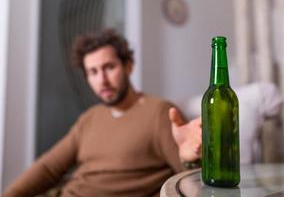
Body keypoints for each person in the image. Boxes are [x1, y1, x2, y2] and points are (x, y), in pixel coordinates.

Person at [3, 29, 201, 197]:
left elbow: (193, 180)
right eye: (93, 72)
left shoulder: (160, 112)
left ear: (128, 66)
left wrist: (190, 161)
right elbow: (48, 168)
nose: (102, 80)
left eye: (109, 67)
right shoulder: (90, 118)